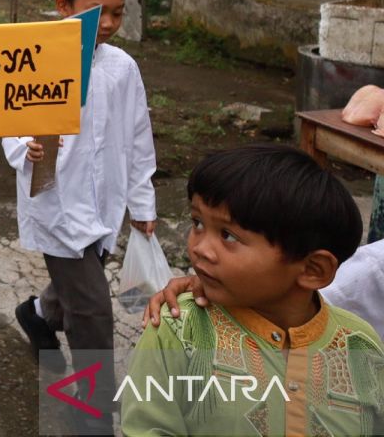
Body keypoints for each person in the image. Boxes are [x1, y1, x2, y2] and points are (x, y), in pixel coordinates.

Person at [123, 144, 384, 435]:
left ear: (313, 269)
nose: (200, 249)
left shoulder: (360, 346)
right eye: (197, 223)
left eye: (228, 236)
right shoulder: (179, 329)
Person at [1, 0, 155, 401]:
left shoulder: (123, 68)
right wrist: (22, 146)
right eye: (97, 11)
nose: (108, 23)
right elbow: (9, 115)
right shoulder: (36, 57)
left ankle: (39, 314)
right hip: (57, 202)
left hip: (106, 203)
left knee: (82, 281)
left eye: (117, 13)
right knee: (92, 310)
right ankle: (92, 410)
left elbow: (138, 138)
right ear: (63, 5)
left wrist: (142, 203)